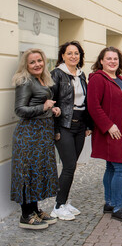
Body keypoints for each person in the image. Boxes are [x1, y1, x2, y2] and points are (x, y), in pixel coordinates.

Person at [10, 48, 60, 230]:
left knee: (37, 172)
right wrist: (43, 106)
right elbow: (20, 110)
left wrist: (51, 109)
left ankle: (35, 209)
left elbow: (41, 104)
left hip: (42, 134)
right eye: (32, 62)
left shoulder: (42, 79)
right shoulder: (25, 81)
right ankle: (26, 214)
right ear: (26, 65)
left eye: (39, 60)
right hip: (29, 134)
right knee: (27, 173)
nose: (37, 64)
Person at [87, 46, 122, 222]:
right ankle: (117, 207)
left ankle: (109, 202)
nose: (112, 61)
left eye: (115, 59)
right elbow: (93, 106)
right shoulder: (98, 79)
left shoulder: (120, 79)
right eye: (109, 59)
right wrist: (108, 125)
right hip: (113, 132)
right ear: (101, 61)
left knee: (111, 168)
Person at [50, 41, 93, 221]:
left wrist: (88, 125)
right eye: (70, 53)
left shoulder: (82, 76)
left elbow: (87, 101)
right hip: (64, 125)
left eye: (76, 53)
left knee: (71, 166)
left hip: (79, 125)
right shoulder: (57, 74)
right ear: (63, 55)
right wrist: (55, 129)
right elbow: (51, 102)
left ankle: (65, 201)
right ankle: (58, 206)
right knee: (69, 166)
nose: (73, 56)